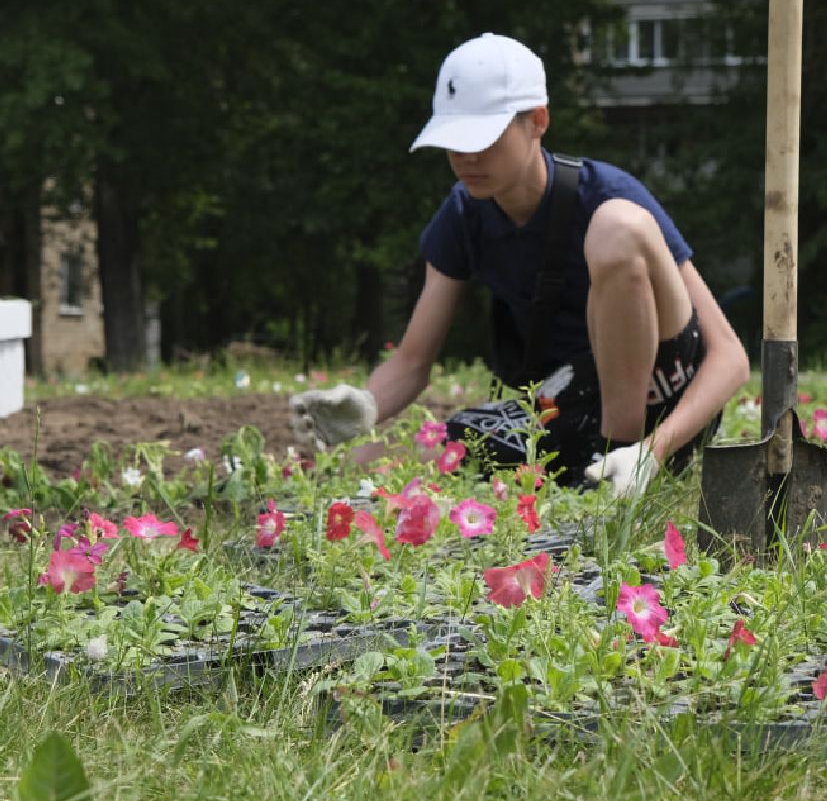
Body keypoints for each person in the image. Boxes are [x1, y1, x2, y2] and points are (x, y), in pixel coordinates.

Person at [289, 32, 750, 497]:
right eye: (453, 140)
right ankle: (593, 474)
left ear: (538, 122)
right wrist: (365, 409)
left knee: (618, 228)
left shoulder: (608, 195)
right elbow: (412, 361)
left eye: (483, 137)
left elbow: (729, 356)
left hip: (662, 409)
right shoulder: (464, 213)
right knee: (369, 460)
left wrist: (649, 452)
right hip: (563, 407)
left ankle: (620, 472)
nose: (466, 156)